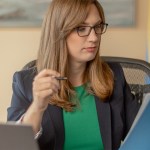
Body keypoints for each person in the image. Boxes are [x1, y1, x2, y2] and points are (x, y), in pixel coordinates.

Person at [7, 0, 140, 150]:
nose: (94, 38)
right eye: (81, 28)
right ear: (59, 32)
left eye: (97, 27)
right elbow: (14, 146)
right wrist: (37, 107)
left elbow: (141, 134)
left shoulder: (113, 75)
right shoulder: (24, 82)